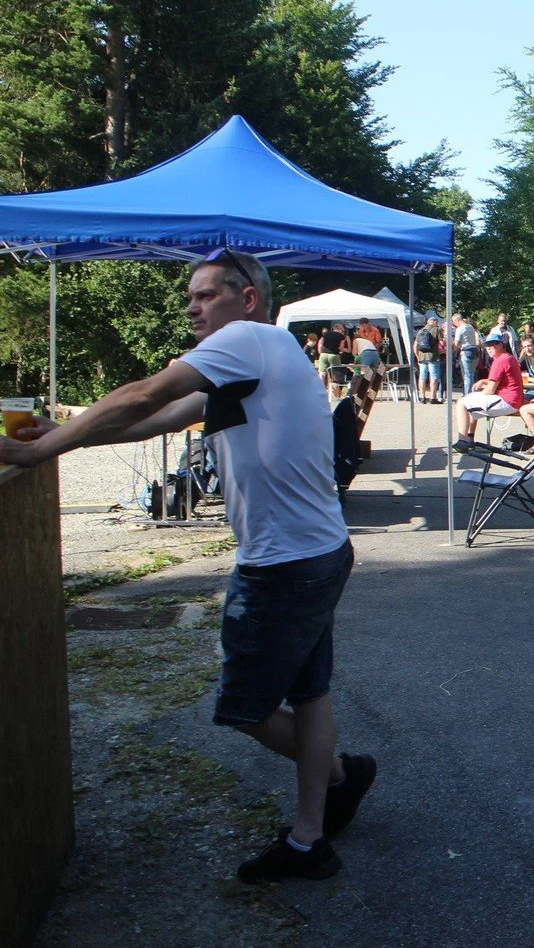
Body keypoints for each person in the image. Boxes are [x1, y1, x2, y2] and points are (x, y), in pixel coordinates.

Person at [0, 249, 376, 882]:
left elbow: (142, 393)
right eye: (191, 298)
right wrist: (55, 431)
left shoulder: (248, 340)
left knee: (246, 708)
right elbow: (154, 419)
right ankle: (312, 835)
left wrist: (36, 456)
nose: (192, 307)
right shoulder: (259, 358)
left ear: (247, 298)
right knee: (310, 694)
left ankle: (337, 777)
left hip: (284, 565)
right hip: (318, 552)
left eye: (205, 295)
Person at [452, 332, 522, 449]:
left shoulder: (500, 360)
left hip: (507, 401)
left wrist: (475, 395)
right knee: (471, 402)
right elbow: (500, 381)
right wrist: (484, 381)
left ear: (500, 345)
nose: (489, 349)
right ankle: (469, 440)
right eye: (487, 346)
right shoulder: (507, 357)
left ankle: (462, 442)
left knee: (462, 403)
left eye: (492, 345)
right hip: (512, 398)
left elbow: (490, 390)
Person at [413, 315, 443, 403]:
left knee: (422, 377)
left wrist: (418, 357)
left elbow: (415, 346)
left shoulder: (420, 331)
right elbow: (442, 342)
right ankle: (433, 398)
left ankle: (422, 397)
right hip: (433, 357)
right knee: (434, 377)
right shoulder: (436, 329)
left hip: (422, 358)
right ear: (435, 322)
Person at [317, 324, 349, 403]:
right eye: (342, 330)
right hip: (334, 355)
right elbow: (341, 349)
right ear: (339, 329)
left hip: (323, 355)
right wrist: (340, 351)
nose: (342, 332)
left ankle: (319, 393)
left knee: (322, 374)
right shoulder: (341, 337)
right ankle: (336, 395)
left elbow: (321, 344)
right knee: (335, 376)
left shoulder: (326, 334)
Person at [451, 313, 481, 393]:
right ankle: (471, 392)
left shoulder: (460, 329)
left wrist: (452, 351)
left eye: (454, 322)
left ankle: (467, 394)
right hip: (475, 352)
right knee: (471, 374)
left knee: (466, 375)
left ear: (457, 320)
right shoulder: (470, 327)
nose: (454, 324)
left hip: (465, 352)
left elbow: (456, 344)